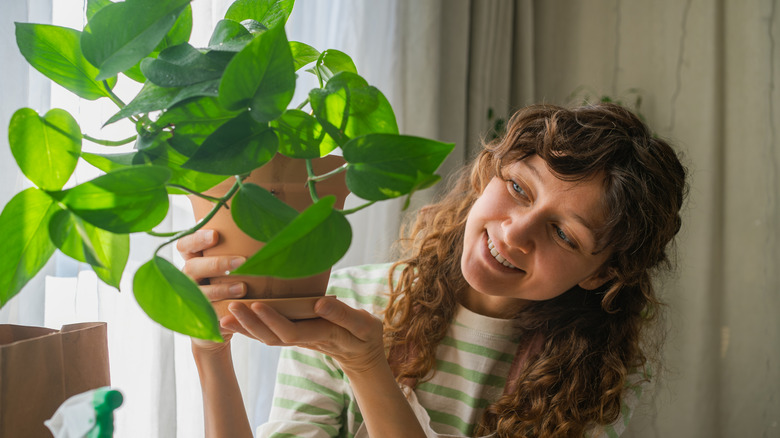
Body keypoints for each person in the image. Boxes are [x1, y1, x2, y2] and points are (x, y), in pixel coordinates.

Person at [177, 102, 688, 437]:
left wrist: (368, 368)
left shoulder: (583, 387)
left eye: (562, 233)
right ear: (488, 176)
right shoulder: (347, 301)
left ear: (602, 273)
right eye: (517, 188)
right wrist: (209, 352)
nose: (514, 233)